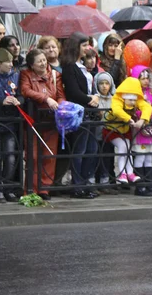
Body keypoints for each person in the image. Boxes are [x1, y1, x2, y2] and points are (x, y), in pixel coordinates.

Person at [19, 49, 66, 200]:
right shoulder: (26, 74)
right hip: (33, 121)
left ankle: (44, 188)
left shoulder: (55, 74)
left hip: (51, 121)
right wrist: (45, 98)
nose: (43, 63)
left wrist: (59, 106)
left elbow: (60, 95)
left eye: (44, 60)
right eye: (39, 61)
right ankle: (31, 188)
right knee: (33, 155)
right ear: (31, 64)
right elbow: (25, 90)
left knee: (49, 155)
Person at [60, 32, 100, 199]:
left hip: (89, 113)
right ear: (76, 46)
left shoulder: (83, 66)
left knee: (92, 149)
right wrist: (90, 99)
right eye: (84, 45)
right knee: (80, 149)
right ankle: (77, 185)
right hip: (79, 113)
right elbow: (73, 92)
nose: (87, 48)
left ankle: (85, 182)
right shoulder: (70, 66)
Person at [0, 48, 23, 203]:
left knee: (10, 156)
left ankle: (8, 188)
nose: (10, 64)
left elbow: (21, 94)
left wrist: (18, 100)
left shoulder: (16, 75)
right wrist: (1, 101)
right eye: (7, 62)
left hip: (11, 122)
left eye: (11, 61)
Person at [105, 77, 152, 187]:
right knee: (123, 147)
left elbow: (147, 107)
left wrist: (142, 119)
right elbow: (117, 111)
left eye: (134, 100)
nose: (133, 102)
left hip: (124, 130)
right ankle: (122, 174)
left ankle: (130, 173)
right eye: (130, 100)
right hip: (112, 129)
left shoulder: (136, 99)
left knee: (128, 148)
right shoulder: (117, 99)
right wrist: (128, 118)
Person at [130, 65, 152, 196]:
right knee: (140, 157)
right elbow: (134, 110)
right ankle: (140, 185)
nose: (145, 81)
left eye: (146, 78)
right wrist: (144, 120)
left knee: (149, 157)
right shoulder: (134, 95)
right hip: (141, 130)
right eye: (141, 78)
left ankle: (150, 183)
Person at [93, 71, 118, 194]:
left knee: (108, 158)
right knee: (96, 158)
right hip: (97, 134)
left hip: (109, 134)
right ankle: (94, 182)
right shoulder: (94, 98)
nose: (104, 86)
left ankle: (105, 182)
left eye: (106, 83)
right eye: (101, 83)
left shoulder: (114, 99)